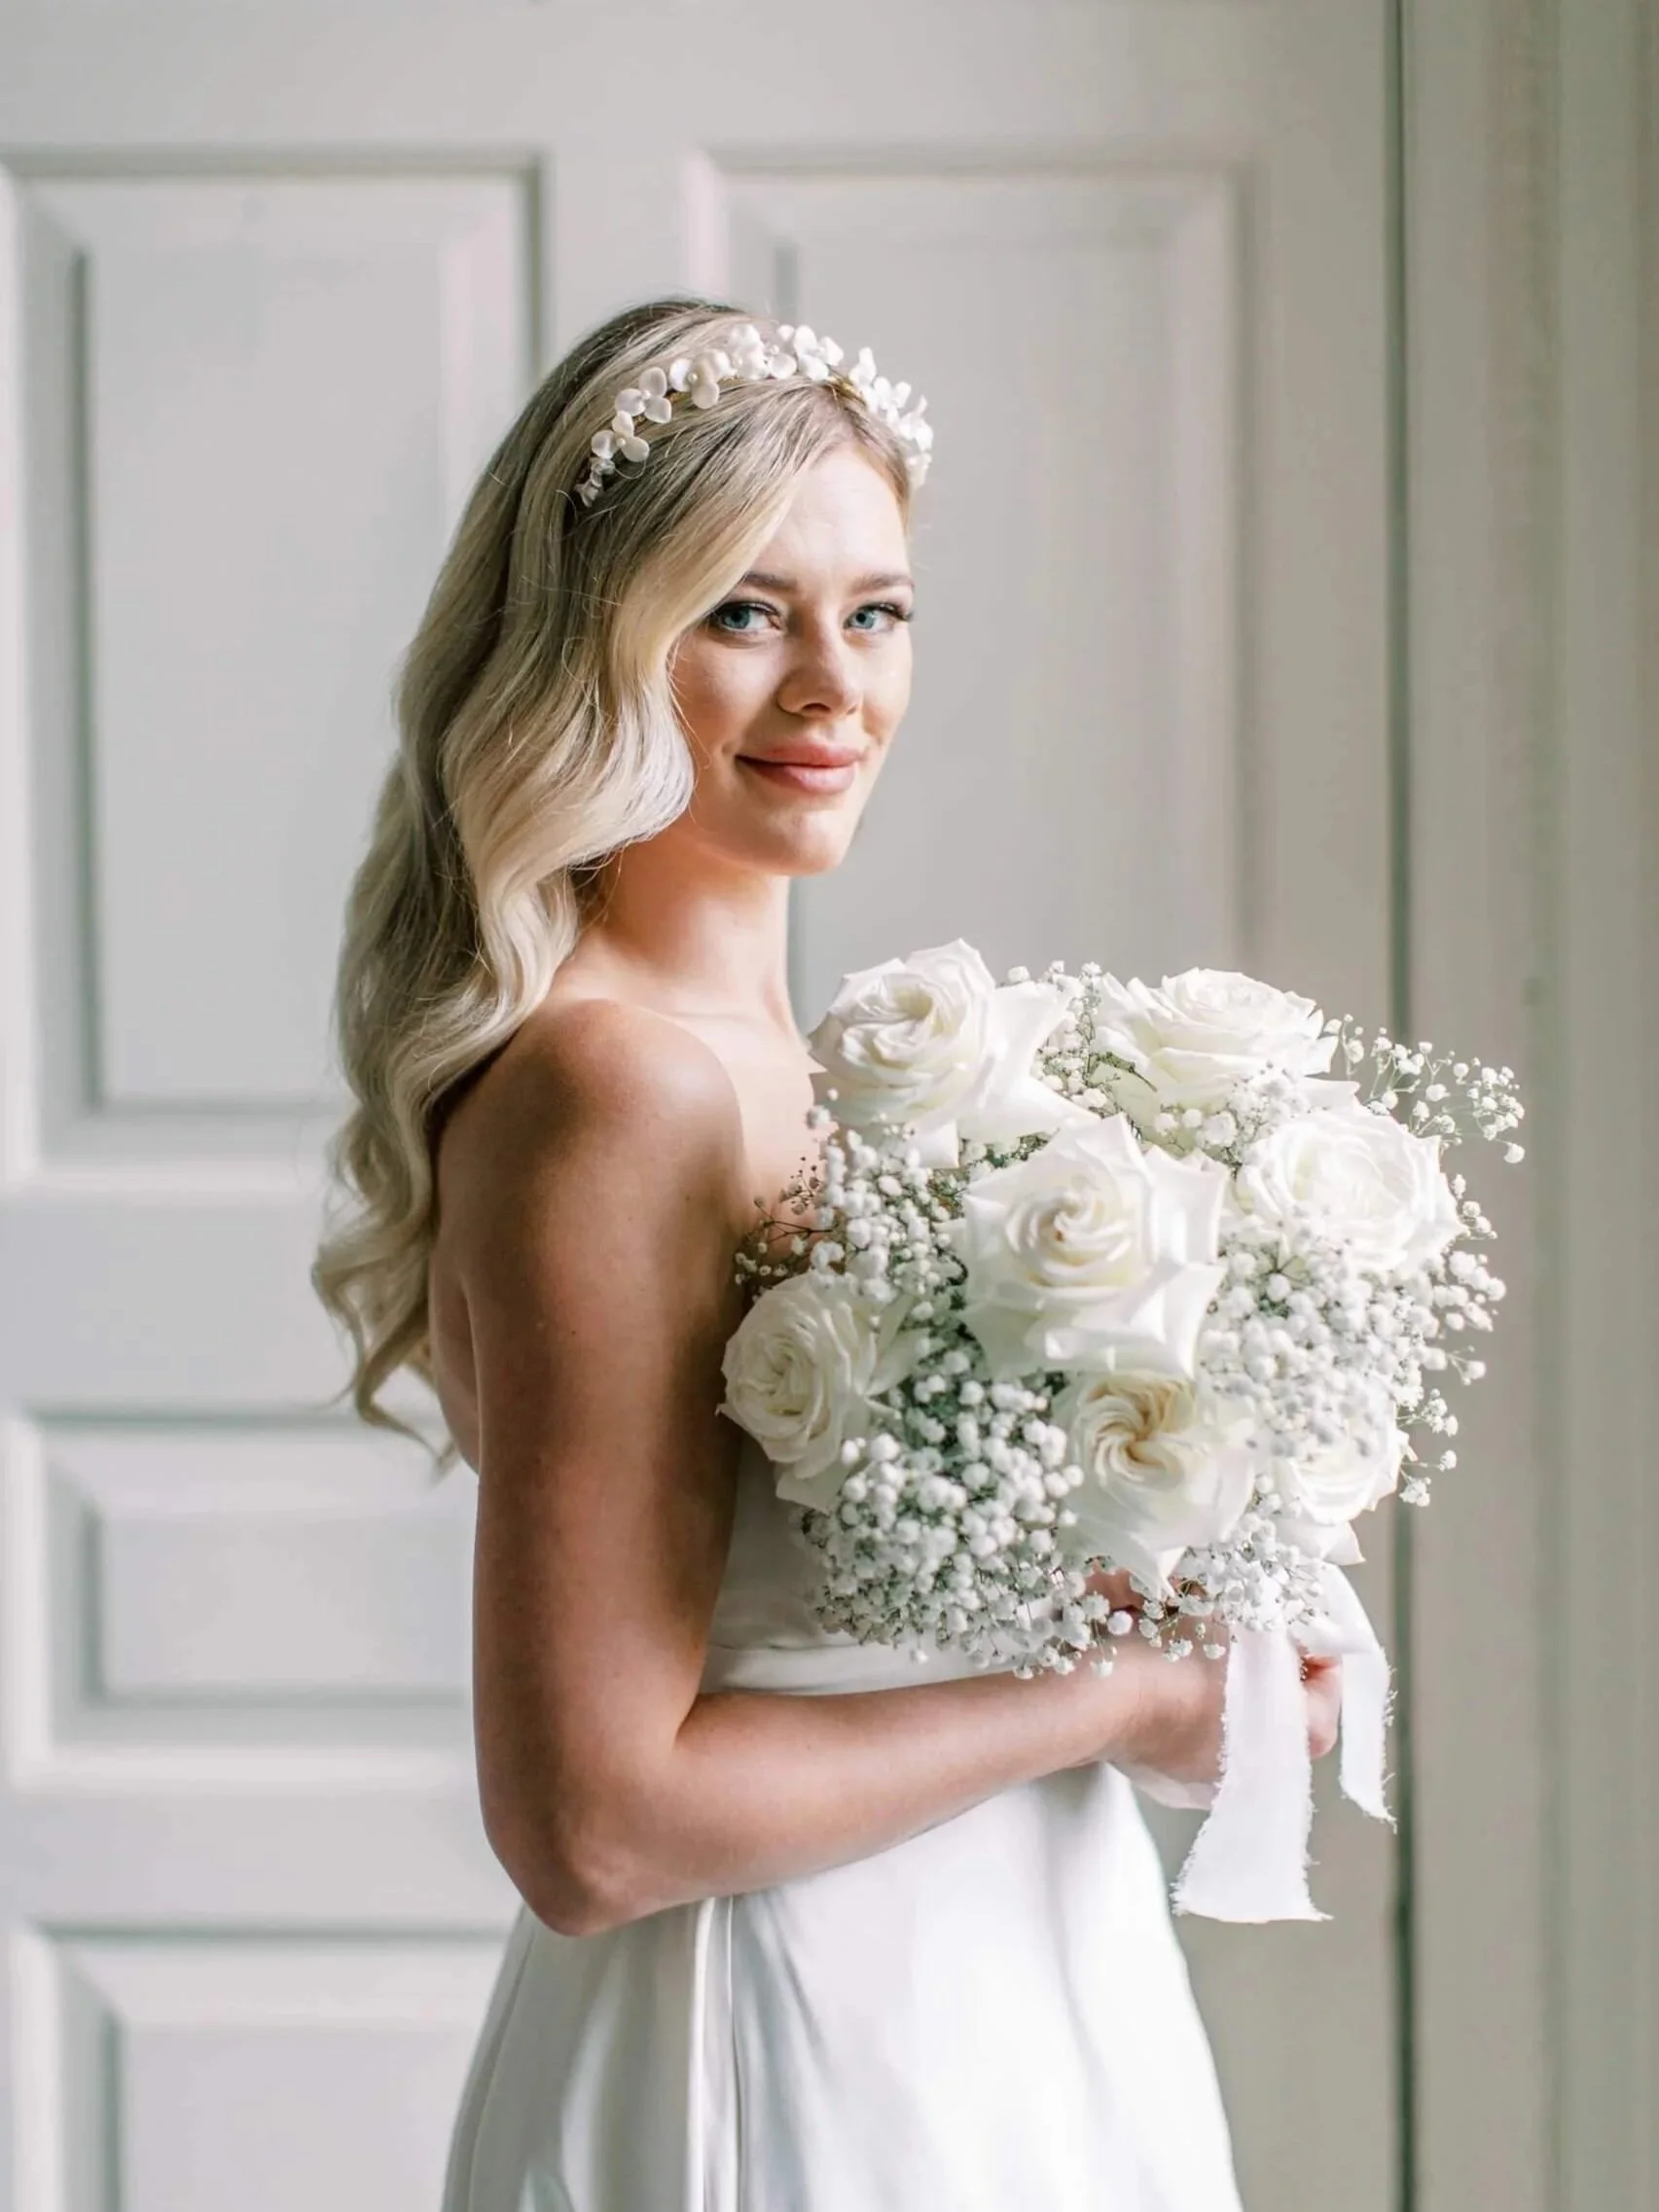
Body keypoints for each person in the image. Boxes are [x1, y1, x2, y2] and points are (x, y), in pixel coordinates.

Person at [313, 296, 1343, 2211]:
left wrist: (1202, 1609)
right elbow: (596, 1827)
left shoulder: (832, 1077)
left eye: (875, 612)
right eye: (743, 612)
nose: (831, 689)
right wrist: (1118, 1698)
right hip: (792, 2046)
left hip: (1033, 2013)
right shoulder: (619, 1087)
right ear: (590, 649)